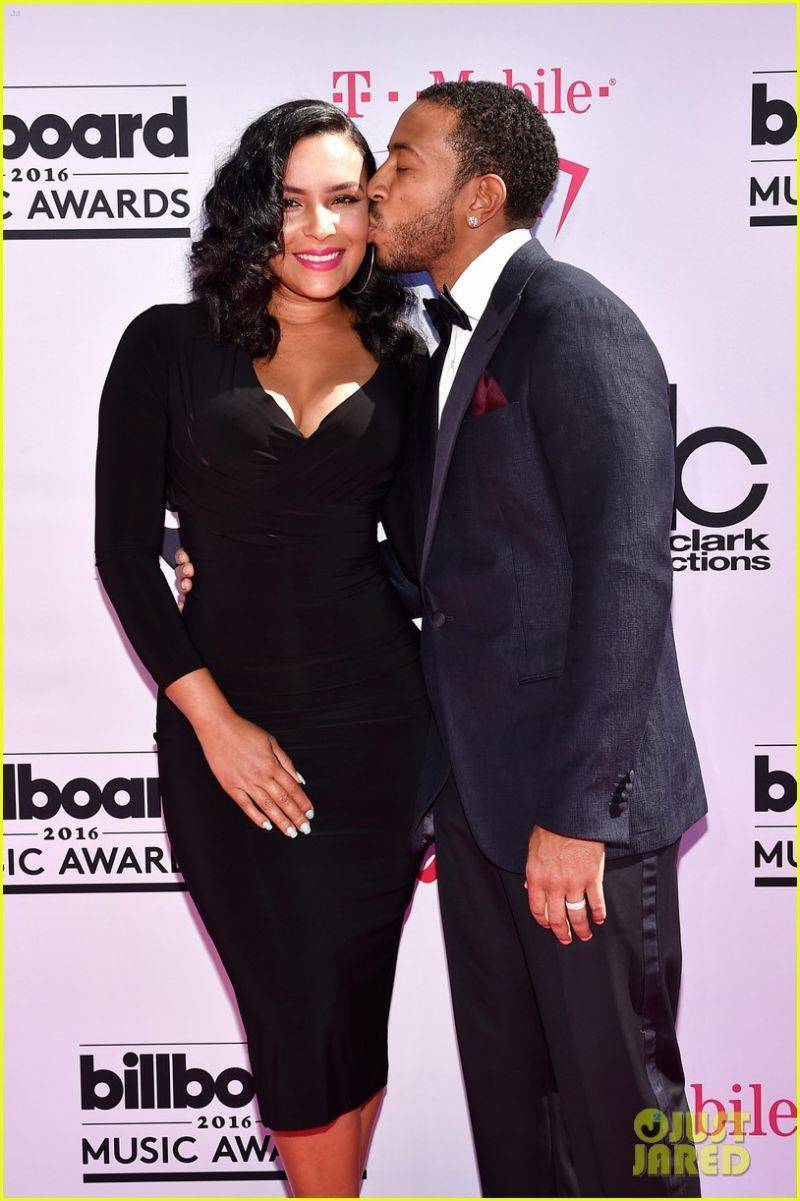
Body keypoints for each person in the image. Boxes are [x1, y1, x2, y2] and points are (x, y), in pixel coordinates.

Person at [178, 81, 708, 1197]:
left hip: (576, 819)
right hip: (477, 808)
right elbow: (437, 567)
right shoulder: (435, 342)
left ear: (477, 195)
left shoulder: (575, 320)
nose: (375, 190)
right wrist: (243, 567)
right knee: (518, 1133)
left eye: (400, 167)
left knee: (630, 1124)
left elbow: (625, 568)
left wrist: (577, 811)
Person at [94, 99, 431, 1199]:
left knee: (350, 997)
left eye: (344, 199)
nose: (319, 226)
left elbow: (429, 550)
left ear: (376, 212)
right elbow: (117, 551)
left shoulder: (405, 349)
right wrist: (216, 720)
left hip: (378, 728)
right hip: (221, 729)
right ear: (252, 212)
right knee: (291, 1004)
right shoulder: (167, 344)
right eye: (290, 203)